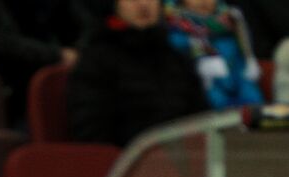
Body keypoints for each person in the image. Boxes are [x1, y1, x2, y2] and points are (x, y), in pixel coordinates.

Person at [67, 0, 210, 148]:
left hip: (184, 161)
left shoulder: (177, 59)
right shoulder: (96, 61)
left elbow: (202, 120)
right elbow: (92, 135)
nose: (143, 4)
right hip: (125, 164)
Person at [166, 0, 265, 109]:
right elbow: (177, 44)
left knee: (253, 98)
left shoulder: (230, 21)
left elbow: (242, 51)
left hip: (238, 77)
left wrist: (248, 67)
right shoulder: (177, 26)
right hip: (207, 84)